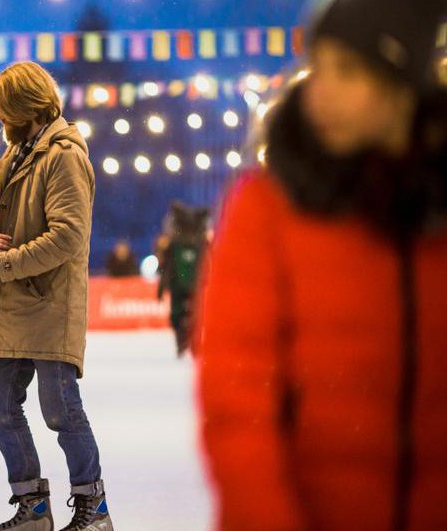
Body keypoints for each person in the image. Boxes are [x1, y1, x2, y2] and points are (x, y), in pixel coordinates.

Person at [197, 1, 447, 529]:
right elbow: (238, 402)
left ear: (402, 88)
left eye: (349, 71)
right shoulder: (268, 208)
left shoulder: (433, 215)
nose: (321, 91)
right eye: (318, 66)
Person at [0, 61, 114, 531]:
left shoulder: (64, 155)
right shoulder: (15, 155)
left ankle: (94, 510)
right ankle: (32, 508)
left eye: (2, 108)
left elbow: (67, 236)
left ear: (24, 106)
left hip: (50, 302)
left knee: (61, 410)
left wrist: (3, 265)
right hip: (14, 303)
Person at [157, 203, 210, 357]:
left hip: (178, 286)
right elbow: (209, 265)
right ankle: (192, 342)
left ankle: (183, 341)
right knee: (195, 315)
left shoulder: (175, 246)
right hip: (194, 286)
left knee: (178, 315)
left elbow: (166, 268)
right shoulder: (200, 245)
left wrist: (161, 289)